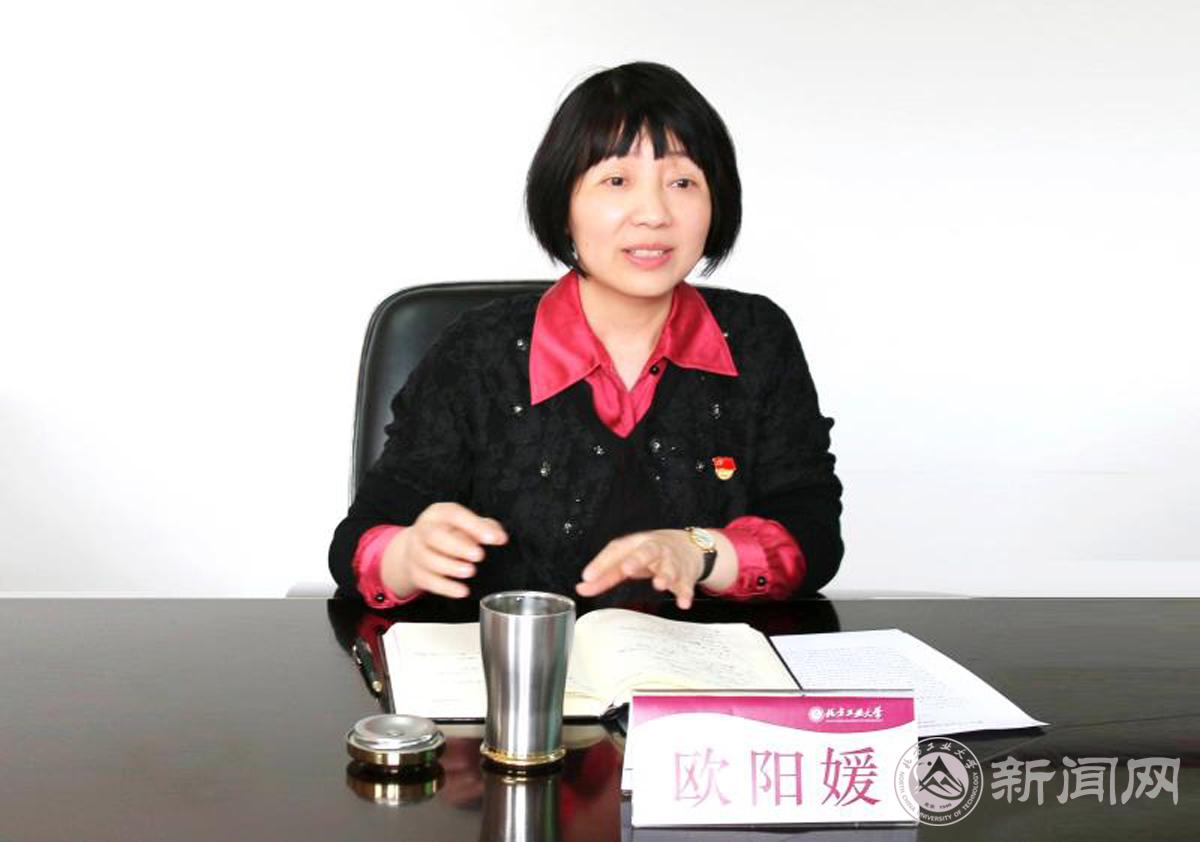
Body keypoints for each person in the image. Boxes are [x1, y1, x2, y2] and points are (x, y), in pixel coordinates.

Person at [329, 61, 843, 611]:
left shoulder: (756, 337)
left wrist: (700, 550)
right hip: (520, 662)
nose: (654, 214)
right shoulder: (478, 351)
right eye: (617, 181)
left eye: (683, 182)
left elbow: (812, 531)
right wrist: (406, 556)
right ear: (563, 202)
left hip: (701, 664)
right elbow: (362, 538)